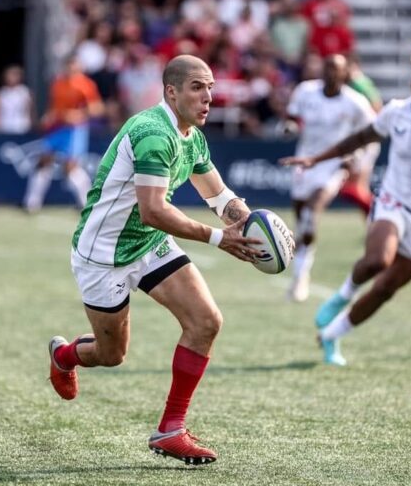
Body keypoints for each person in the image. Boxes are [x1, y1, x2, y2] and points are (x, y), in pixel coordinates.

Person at [47, 55, 268, 465]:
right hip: (104, 254)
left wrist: (254, 225)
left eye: (211, 89)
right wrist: (219, 238)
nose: (208, 98)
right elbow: (153, 210)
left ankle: (170, 430)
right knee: (112, 355)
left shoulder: (192, 136)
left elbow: (219, 197)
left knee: (206, 322)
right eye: (198, 88)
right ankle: (64, 356)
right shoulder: (153, 132)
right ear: (172, 91)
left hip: (149, 245)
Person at [280, 47, 411, 366]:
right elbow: (358, 139)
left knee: (387, 288)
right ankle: (343, 295)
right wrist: (315, 159)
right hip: (393, 199)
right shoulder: (397, 111)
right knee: (378, 260)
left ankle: (332, 335)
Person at [282, 54, 374, 302]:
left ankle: (301, 277)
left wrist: (356, 155)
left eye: (338, 69)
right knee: (301, 217)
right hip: (305, 161)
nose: (332, 73)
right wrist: (290, 127)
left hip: (333, 166)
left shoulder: (355, 102)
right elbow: (292, 116)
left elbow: (372, 132)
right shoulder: (306, 92)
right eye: (328, 67)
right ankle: (300, 268)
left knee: (313, 211)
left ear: (346, 74)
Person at [23, 54, 103, 212]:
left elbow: (97, 108)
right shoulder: (58, 83)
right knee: (43, 160)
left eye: (74, 65)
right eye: (69, 65)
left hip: (74, 130)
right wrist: (49, 115)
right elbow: (54, 106)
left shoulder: (86, 85)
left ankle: (87, 203)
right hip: (57, 128)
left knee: (70, 167)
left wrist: (78, 115)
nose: (71, 68)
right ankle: (32, 203)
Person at [339, 55, 384, 215]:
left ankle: (379, 212)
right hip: (363, 140)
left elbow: (377, 105)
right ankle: (373, 223)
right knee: (360, 187)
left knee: (351, 187)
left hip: (365, 142)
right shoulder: (355, 84)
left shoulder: (359, 84)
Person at [0, 64, 34, 134]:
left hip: (23, 128)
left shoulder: (26, 92)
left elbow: (31, 111)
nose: (13, 77)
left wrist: (32, 127)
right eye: (10, 74)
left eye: (16, 74)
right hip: (3, 128)